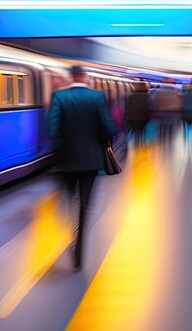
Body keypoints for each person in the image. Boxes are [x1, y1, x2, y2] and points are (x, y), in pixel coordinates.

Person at [48, 66, 115, 270]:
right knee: (84, 204)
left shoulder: (59, 97)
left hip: (66, 161)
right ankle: (79, 250)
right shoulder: (97, 97)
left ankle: (71, 232)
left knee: (68, 200)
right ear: (84, 77)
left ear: (71, 77)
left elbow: (52, 129)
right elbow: (109, 128)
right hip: (90, 160)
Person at [151, 78, 181, 144]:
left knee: (162, 133)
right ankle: (169, 145)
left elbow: (153, 103)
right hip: (173, 117)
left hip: (161, 115)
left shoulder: (156, 92)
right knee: (171, 134)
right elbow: (179, 105)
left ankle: (162, 145)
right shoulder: (176, 92)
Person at [126, 81, 150, 146]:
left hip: (134, 122)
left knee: (134, 140)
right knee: (143, 140)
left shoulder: (132, 96)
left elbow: (128, 109)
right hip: (144, 123)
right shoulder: (148, 96)